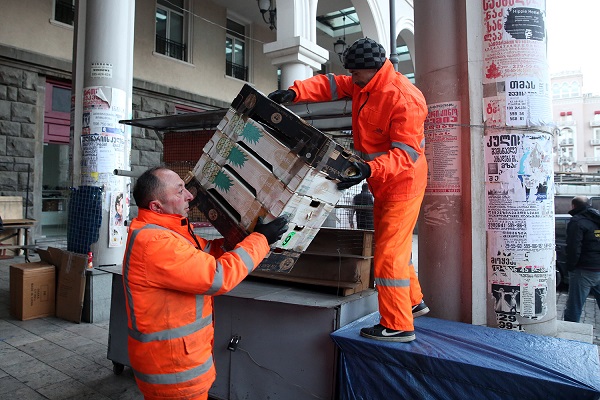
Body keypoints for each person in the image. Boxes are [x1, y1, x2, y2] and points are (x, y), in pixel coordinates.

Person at [269, 37, 429, 342]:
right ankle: (412, 301)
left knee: (388, 256)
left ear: (372, 69)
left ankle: (397, 325)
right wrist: (294, 92)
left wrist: (368, 169)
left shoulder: (403, 98)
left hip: (402, 183)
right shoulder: (364, 84)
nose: (351, 79)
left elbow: (406, 154)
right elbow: (330, 85)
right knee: (394, 247)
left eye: (356, 73)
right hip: (384, 182)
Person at [122, 166, 287, 399]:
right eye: (179, 191)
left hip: (181, 363)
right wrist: (260, 240)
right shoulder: (155, 242)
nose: (189, 196)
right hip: (174, 373)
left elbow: (206, 252)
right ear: (156, 206)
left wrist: (240, 239)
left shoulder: (168, 232)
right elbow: (217, 276)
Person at [563, 195, 600, 322]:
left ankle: (569, 339)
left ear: (573, 206)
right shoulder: (597, 218)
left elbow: (574, 247)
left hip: (584, 269)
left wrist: (571, 267)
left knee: (574, 306)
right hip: (598, 268)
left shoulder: (577, 221)